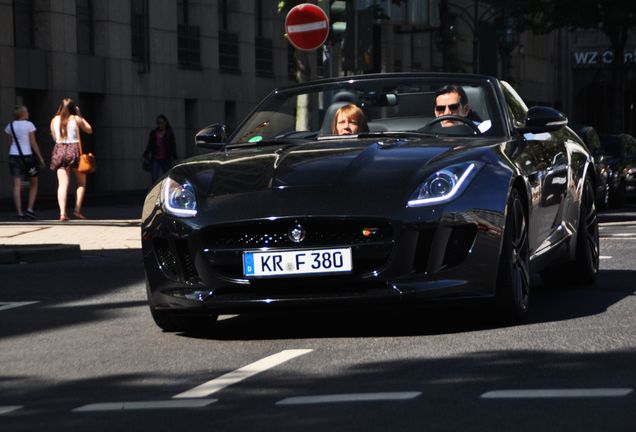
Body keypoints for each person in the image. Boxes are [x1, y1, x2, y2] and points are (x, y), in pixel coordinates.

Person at [50, 98, 93, 221]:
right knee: (81, 183)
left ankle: (62, 213)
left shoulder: (54, 120)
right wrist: (79, 115)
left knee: (62, 184)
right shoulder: (76, 119)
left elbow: (54, 138)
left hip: (59, 150)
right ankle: (77, 210)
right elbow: (89, 130)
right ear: (73, 108)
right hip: (74, 151)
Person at [4, 105, 45, 219]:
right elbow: (33, 143)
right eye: (26, 112)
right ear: (22, 113)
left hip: (14, 156)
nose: (28, 113)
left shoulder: (9, 126)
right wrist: (40, 158)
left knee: (16, 185)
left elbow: (9, 143)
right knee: (34, 183)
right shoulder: (29, 125)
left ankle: (19, 212)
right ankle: (30, 209)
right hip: (28, 157)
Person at [143, 114, 177, 184]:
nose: (160, 124)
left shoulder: (169, 133)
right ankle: (155, 193)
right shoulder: (153, 133)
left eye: (161, 122)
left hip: (166, 159)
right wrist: (145, 155)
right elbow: (150, 145)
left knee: (166, 178)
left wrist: (175, 157)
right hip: (155, 159)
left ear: (165, 123)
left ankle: (164, 192)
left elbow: (173, 146)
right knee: (155, 178)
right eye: (158, 123)